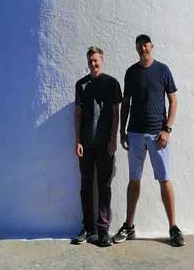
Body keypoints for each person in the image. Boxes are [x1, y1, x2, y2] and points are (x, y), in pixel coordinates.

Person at [112, 34, 185, 247]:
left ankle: (173, 228)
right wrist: (122, 132)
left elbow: (173, 100)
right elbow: (126, 103)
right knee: (134, 180)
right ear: (136, 48)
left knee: (164, 179)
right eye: (139, 45)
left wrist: (167, 129)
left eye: (146, 44)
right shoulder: (131, 72)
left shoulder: (163, 70)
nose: (143, 47)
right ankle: (129, 226)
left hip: (157, 135)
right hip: (134, 133)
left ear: (151, 46)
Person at [72, 46, 122, 246]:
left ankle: (103, 231)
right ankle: (88, 228)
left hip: (105, 145)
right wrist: (77, 141)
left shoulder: (112, 83)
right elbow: (77, 114)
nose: (93, 64)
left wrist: (113, 139)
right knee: (86, 187)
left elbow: (116, 113)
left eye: (96, 60)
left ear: (102, 60)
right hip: (86, 144)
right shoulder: (81, 85)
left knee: (104, 187)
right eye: (90, 61)